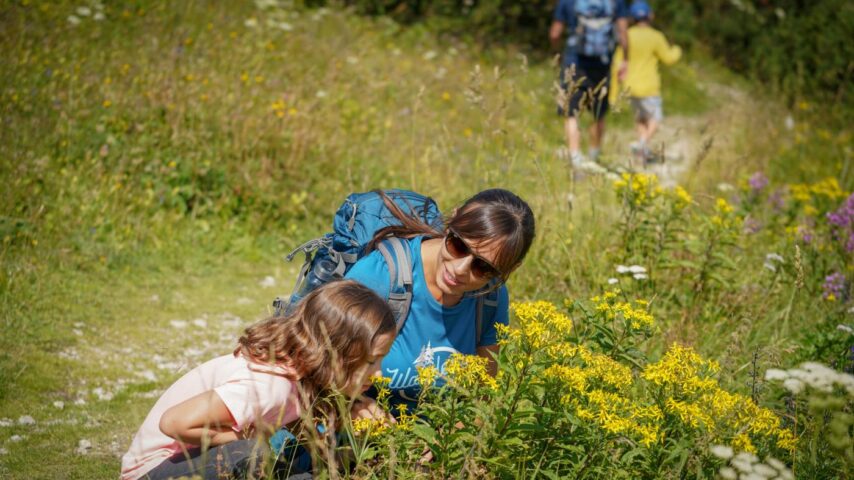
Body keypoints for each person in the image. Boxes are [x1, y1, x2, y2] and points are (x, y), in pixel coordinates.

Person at [120, 280, 396, 480]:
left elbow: (307, 434)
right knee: (253, 454)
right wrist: (241, 435)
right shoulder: (271, 386)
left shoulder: (301, 376)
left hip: (194, 463)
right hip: (153, 470)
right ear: (334, 351)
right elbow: (174, 422)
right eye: (371, 361)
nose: (379, 372)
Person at [345, 189, 535, 411]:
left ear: (510, 269)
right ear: (452, 220)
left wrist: (453, 437)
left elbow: (482, 398)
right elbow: (320, 375)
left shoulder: (491, 297)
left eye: (483, 267)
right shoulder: (379, 275)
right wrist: (354, 411)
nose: (460, 269)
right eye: (459, 245)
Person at [550, 0, 630, 170]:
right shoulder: (616, 2)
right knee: (598, 112)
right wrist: (625, 60)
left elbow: (555, 33)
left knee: (571, 112)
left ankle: (575, 156)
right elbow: (623, 32)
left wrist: (556, 54)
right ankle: (594, 154)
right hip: (602, 64)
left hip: (574, 62)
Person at [610, 0, 682, 165]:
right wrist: (677, 50)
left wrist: (614, 93)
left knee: (641, 119)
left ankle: (642, 153)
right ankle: (641, 145)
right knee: (655, 119)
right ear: (650, 16)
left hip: (630, 87)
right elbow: (669, 59)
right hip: (649, 87)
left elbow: (617, 64)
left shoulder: (626, 35)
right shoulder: (656, 36)